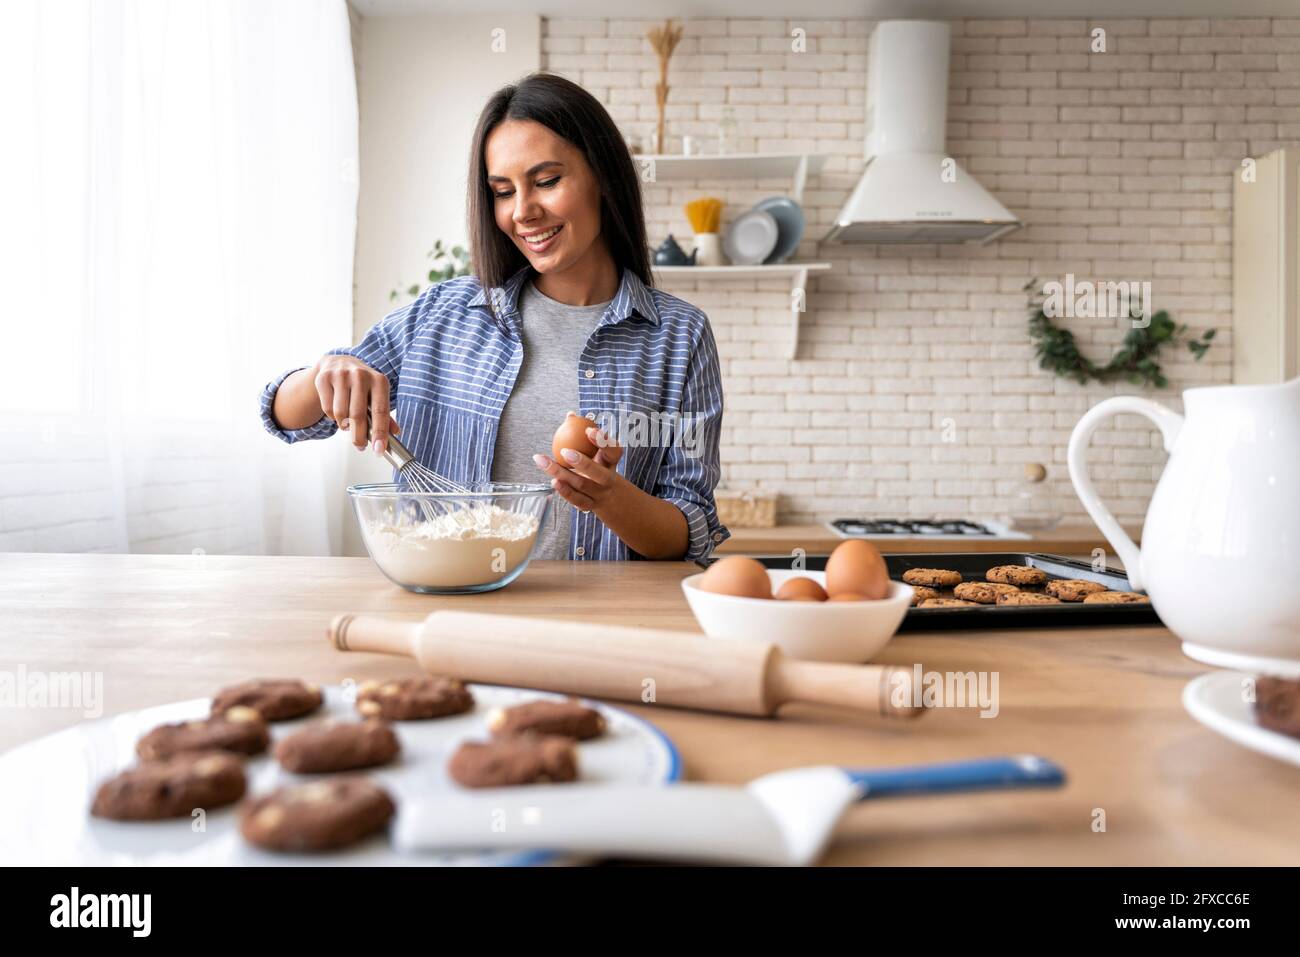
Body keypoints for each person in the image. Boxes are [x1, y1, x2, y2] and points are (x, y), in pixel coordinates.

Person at [260, 72, 728, 562]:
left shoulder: (678, 335)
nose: (522, 211)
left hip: (599, 621)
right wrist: (325, 373)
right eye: (503, 191)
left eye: (546, 181)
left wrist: (610, 497)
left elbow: (689, 528)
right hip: (454, 612)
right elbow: (283, 417)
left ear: (603, 176)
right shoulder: (444, 315)